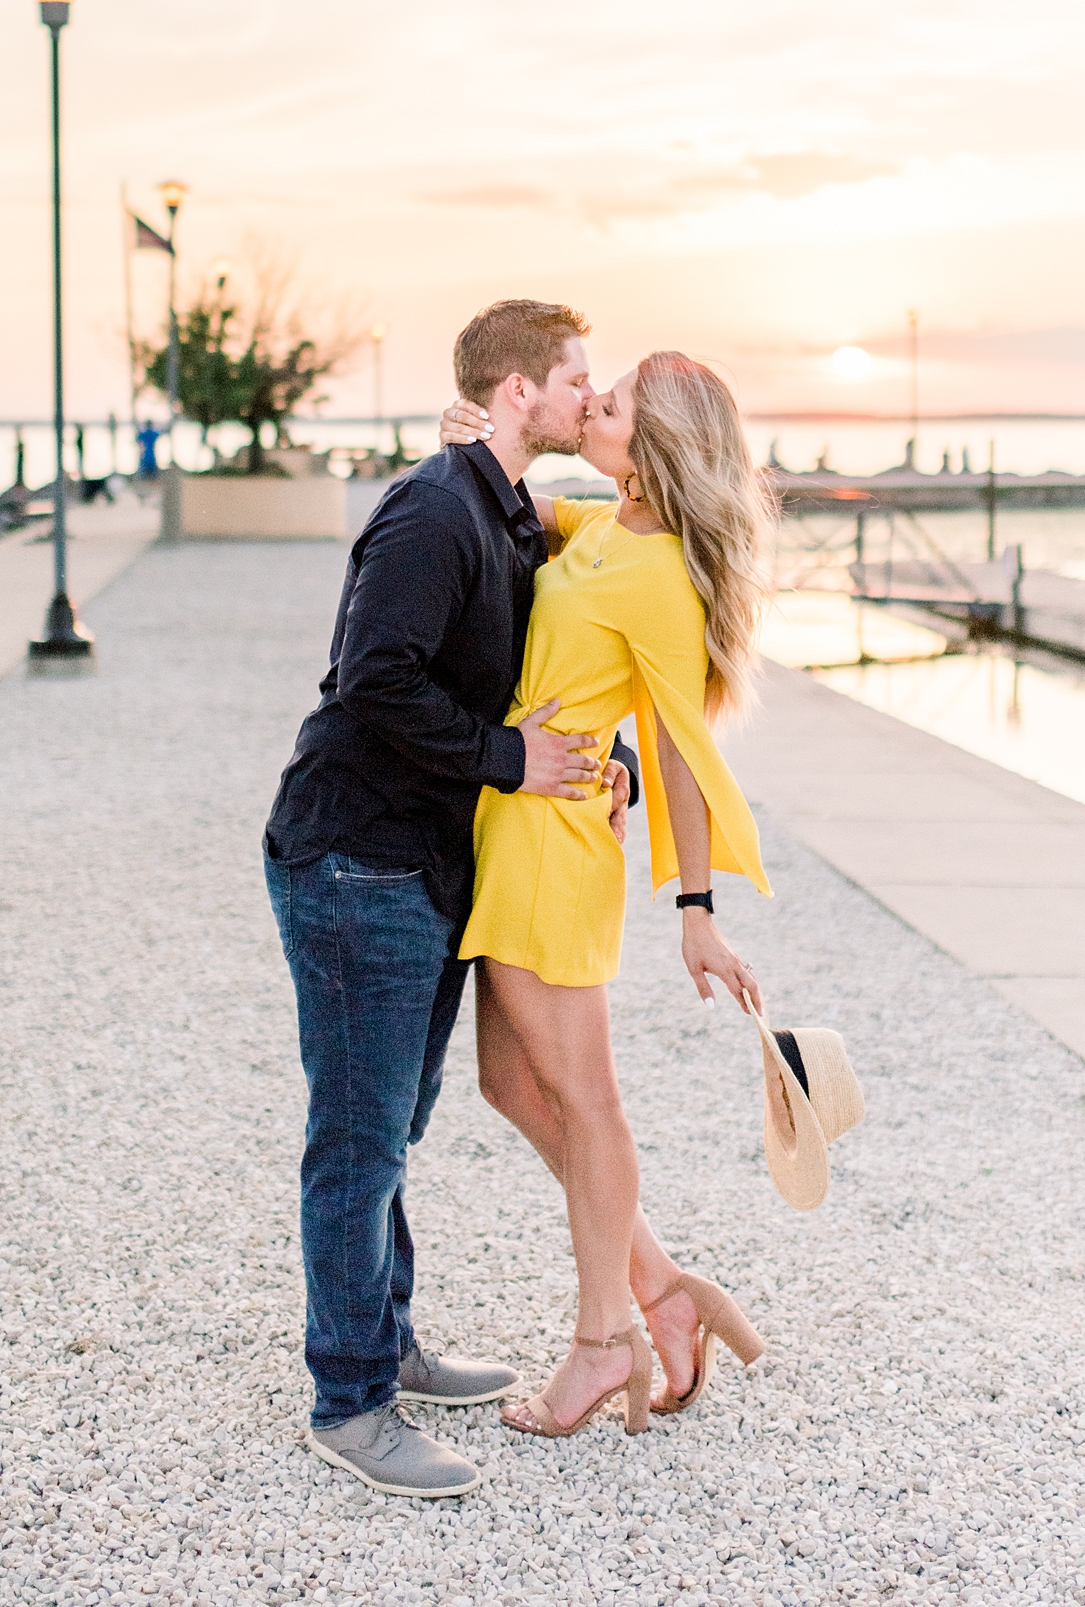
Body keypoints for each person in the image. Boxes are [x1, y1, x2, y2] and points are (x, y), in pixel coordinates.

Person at [262, 300, 632, 1501]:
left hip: (424, 867)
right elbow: (372, 683)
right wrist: (505, 758)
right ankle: (350, 1400)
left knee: (397, 1121)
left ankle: (390, 1340)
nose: (591, 395)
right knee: (358, 1141)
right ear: (519, 391)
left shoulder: (509, 508)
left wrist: (602, 760)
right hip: (354, 859)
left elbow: (562, 644)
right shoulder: (434, 509)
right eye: (576, 379)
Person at [438, 350, 772, 1442]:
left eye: (613, 404)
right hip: (516, 822)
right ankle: (666, 1292)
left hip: (554, 845)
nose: (595, 407)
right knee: (510, 1085)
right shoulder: (604, 528)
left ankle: (603, 1343)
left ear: (653, 445)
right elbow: (525, 511)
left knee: (588, 1103)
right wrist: (480, 434)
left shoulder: (663, 576)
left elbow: (681, 744)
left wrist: (696, 908)